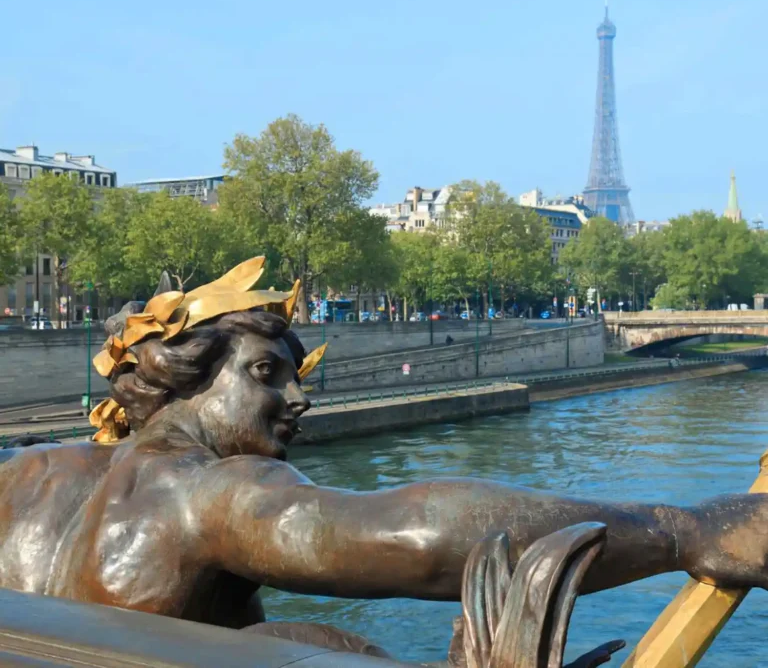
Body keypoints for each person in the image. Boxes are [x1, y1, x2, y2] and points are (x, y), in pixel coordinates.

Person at [1, 258, 768, 654]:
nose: (298, 400)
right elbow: (418, 536)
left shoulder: (26, 473)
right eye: (267, 373)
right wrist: (686, 529)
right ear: (182, 377)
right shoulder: (198, 490)